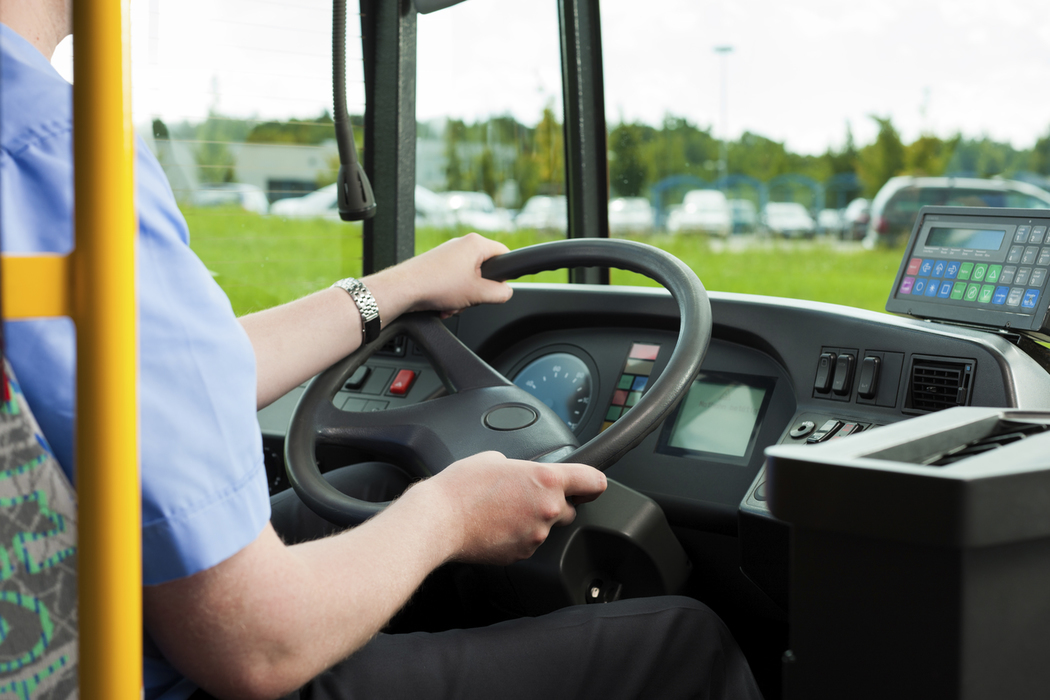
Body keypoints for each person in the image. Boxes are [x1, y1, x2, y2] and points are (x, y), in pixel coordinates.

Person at [0, 2, 764, 699]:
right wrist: (448, 515)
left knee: (372, 485)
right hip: (149, 672)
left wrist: (391, 290)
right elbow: (255, 648)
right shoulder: (57, 158)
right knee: (681, 643)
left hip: (68, 605)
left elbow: (164, 378)